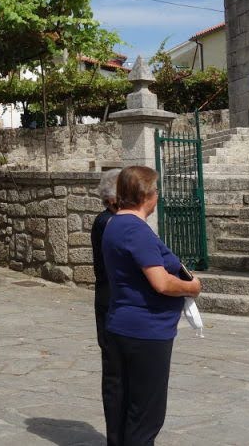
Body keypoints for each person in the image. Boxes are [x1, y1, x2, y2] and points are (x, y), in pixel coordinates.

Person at [101, 165, 201, 445]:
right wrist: (192, 287)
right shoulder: (136, 231)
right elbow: (161, 283)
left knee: (122, 408)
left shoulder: (113, 224)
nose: (158, 196)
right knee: (146, 415)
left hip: (121, 325)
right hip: (146, 331)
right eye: (156, 191)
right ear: (146, 195)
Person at [90, 169, 122, 432]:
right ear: (112, 198)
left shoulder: (111, 220)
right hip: (112, 301)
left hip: (110, 298)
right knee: (115, 373)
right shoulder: (110, 223)